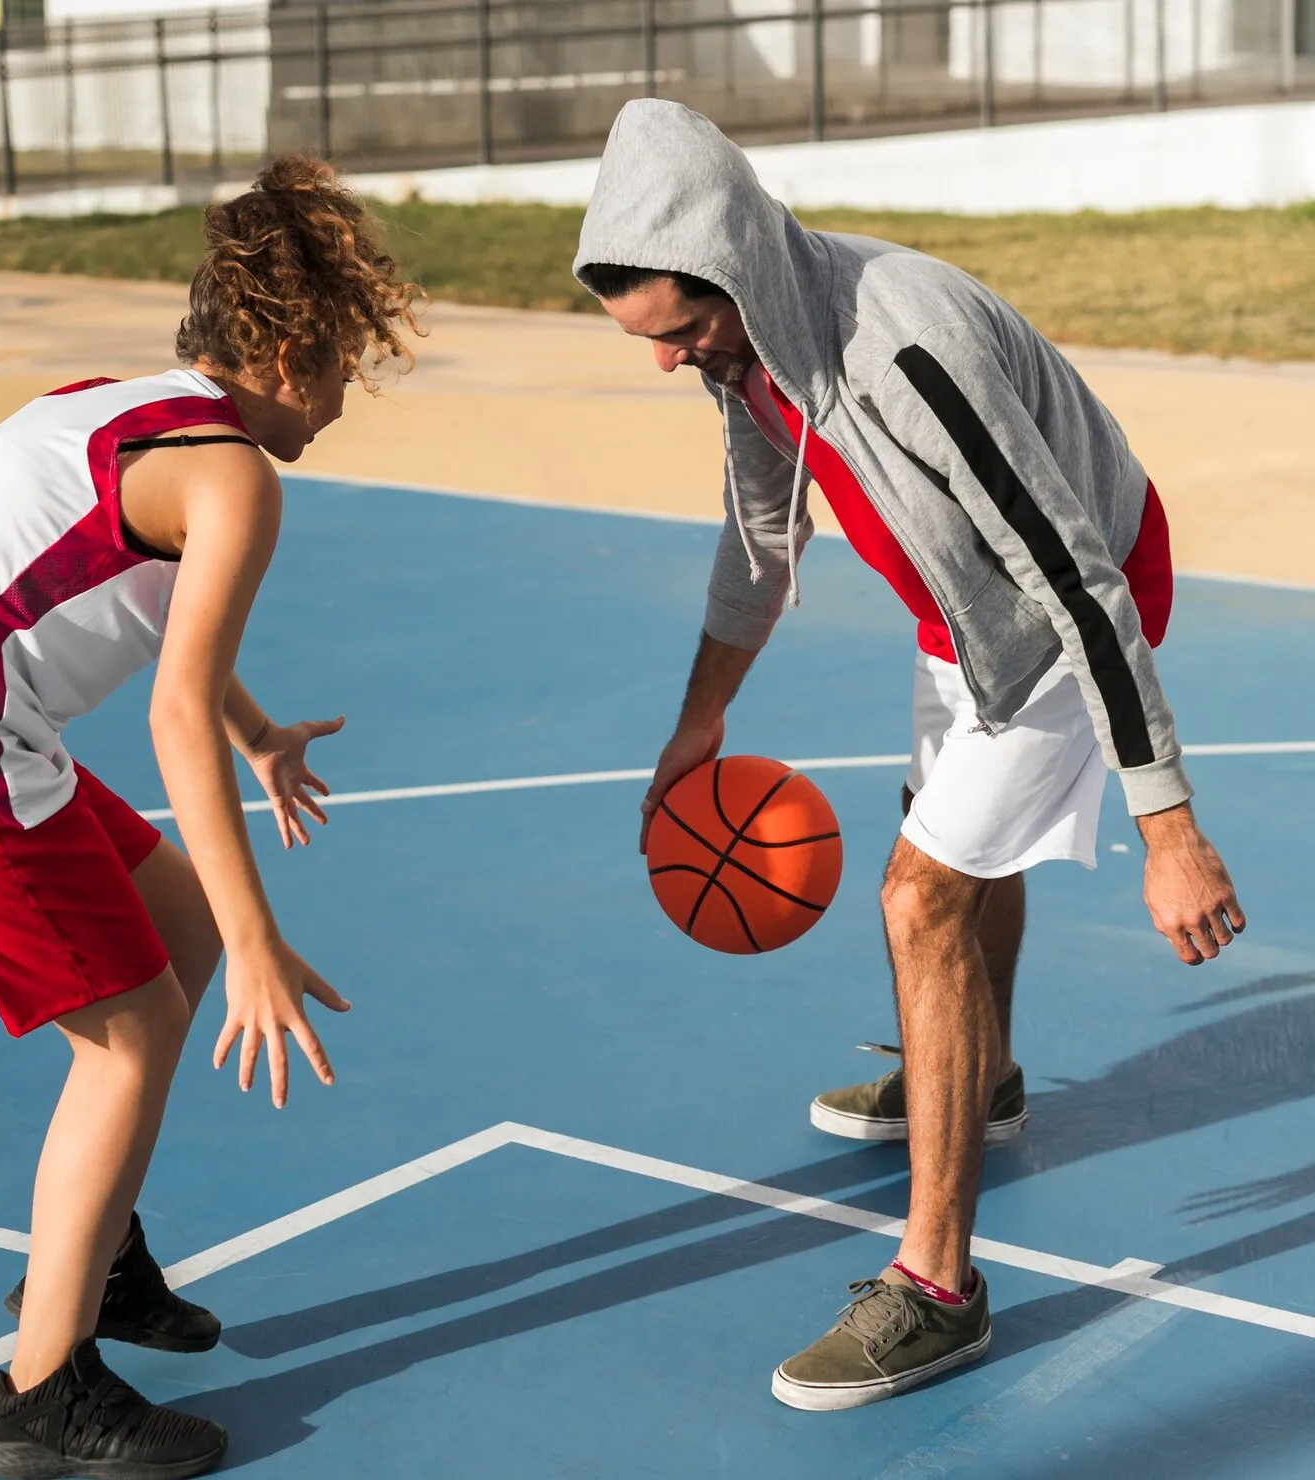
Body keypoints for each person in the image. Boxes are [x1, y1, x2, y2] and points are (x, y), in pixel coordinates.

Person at [574, 101, 1245, 1412]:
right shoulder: (749, 351)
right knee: (949, 839)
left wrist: (1169, 823)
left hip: (1062, 615)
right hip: (969, 613)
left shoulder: (903, 346)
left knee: (917, 894)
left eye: (679, 331)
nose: (668, 363)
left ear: (733, 270)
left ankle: (939, 1291)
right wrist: (701, 716)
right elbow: (760, 534)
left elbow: (1076, 571)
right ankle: (978, 1076)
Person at [0, 154, 416, 1477]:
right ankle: (40, 1397)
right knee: (140, 1022)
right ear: (278, 347)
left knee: (176, 931)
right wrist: (265, 936)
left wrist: (257, 732)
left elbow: (177, 638)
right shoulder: (242, 480)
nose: (339, 401)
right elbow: (167, 715)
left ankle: (98, 1268)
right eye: (335, 370)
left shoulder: (135, 406)